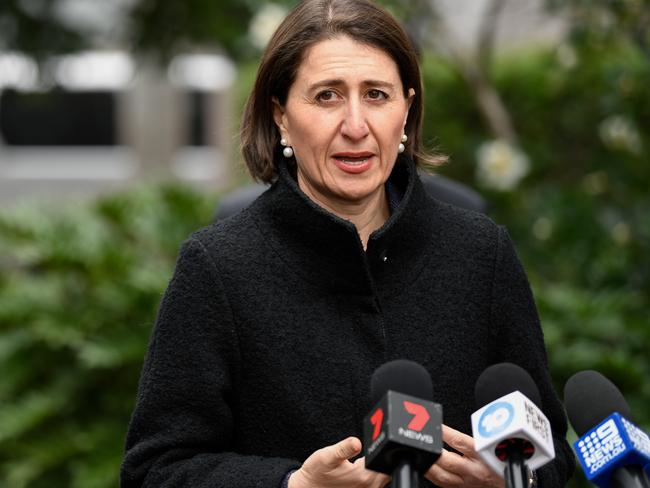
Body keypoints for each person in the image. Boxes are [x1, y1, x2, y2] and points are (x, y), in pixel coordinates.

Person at [121, 0, 575, 486]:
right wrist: (294, 485)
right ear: (281, 116)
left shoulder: (481, 253)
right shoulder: (218, 266)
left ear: (407, 109)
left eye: (377, 95)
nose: (356, 126)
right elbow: (155, 470)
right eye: (327, 97)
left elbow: (551, 453)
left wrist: (513, 478)